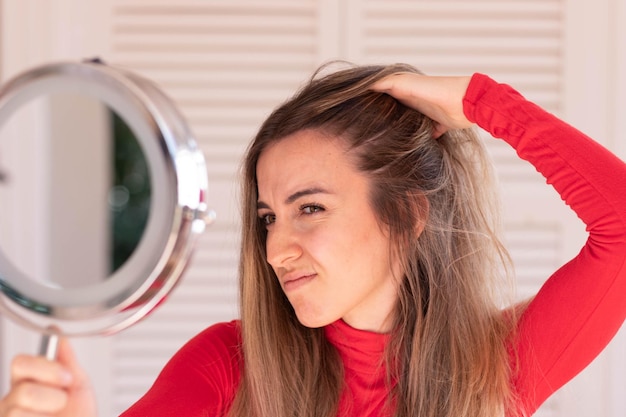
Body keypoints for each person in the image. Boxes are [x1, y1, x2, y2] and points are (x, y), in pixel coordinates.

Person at [1, 62, 625, 417]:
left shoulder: (498, 370)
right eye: (269, 216)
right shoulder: (228, 367)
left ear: (407, 214)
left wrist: (482, 103)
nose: (275, 249)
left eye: (310, 208)